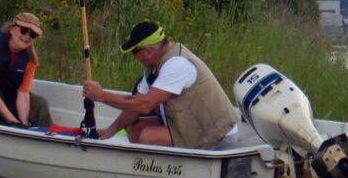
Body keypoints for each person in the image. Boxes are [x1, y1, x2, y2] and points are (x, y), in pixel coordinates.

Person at [82, 20, 239, 149]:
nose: (134, 58)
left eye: (134, 53)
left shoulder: (177, 64)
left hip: (216, 135)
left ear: (147, 52)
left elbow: (144, 106)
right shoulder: (154, 67)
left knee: (147, 137)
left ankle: (163, 172)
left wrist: (101, 96)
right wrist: (112, 129)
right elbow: (136, 103)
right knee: (134, 126)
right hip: (191, 126)